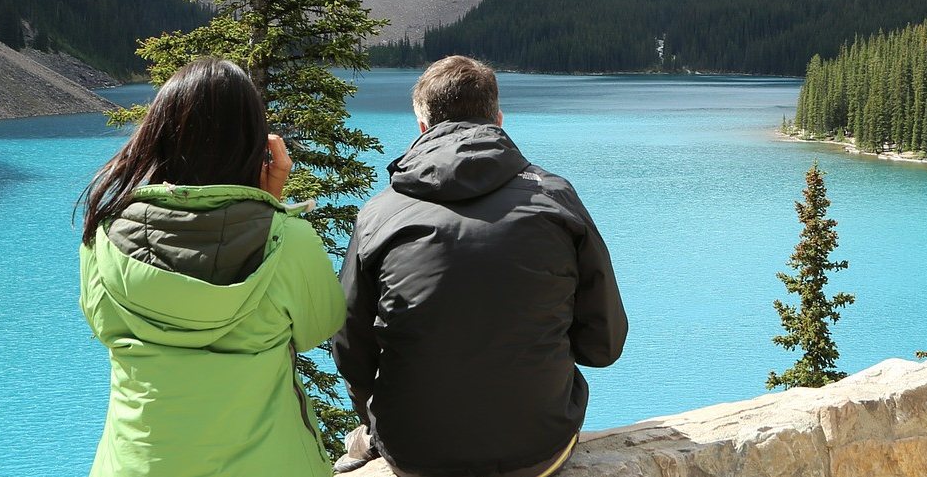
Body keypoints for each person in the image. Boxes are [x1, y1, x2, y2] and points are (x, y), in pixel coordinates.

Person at [333, 55, 628, 477]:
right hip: (539, 448)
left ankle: (363, 444)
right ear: (499, 120)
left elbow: (349, 343)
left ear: (422, 128)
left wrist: (376, 413)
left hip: (417, 454)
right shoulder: (555, 198)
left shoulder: (380, 214)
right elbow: (604, 344)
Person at [79, 56, 344, 477]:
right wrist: (269, 203)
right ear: (256, 145)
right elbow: (320, 326)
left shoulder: (103, 237)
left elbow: (101, 325)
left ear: (157, 138)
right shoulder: (287, 240)